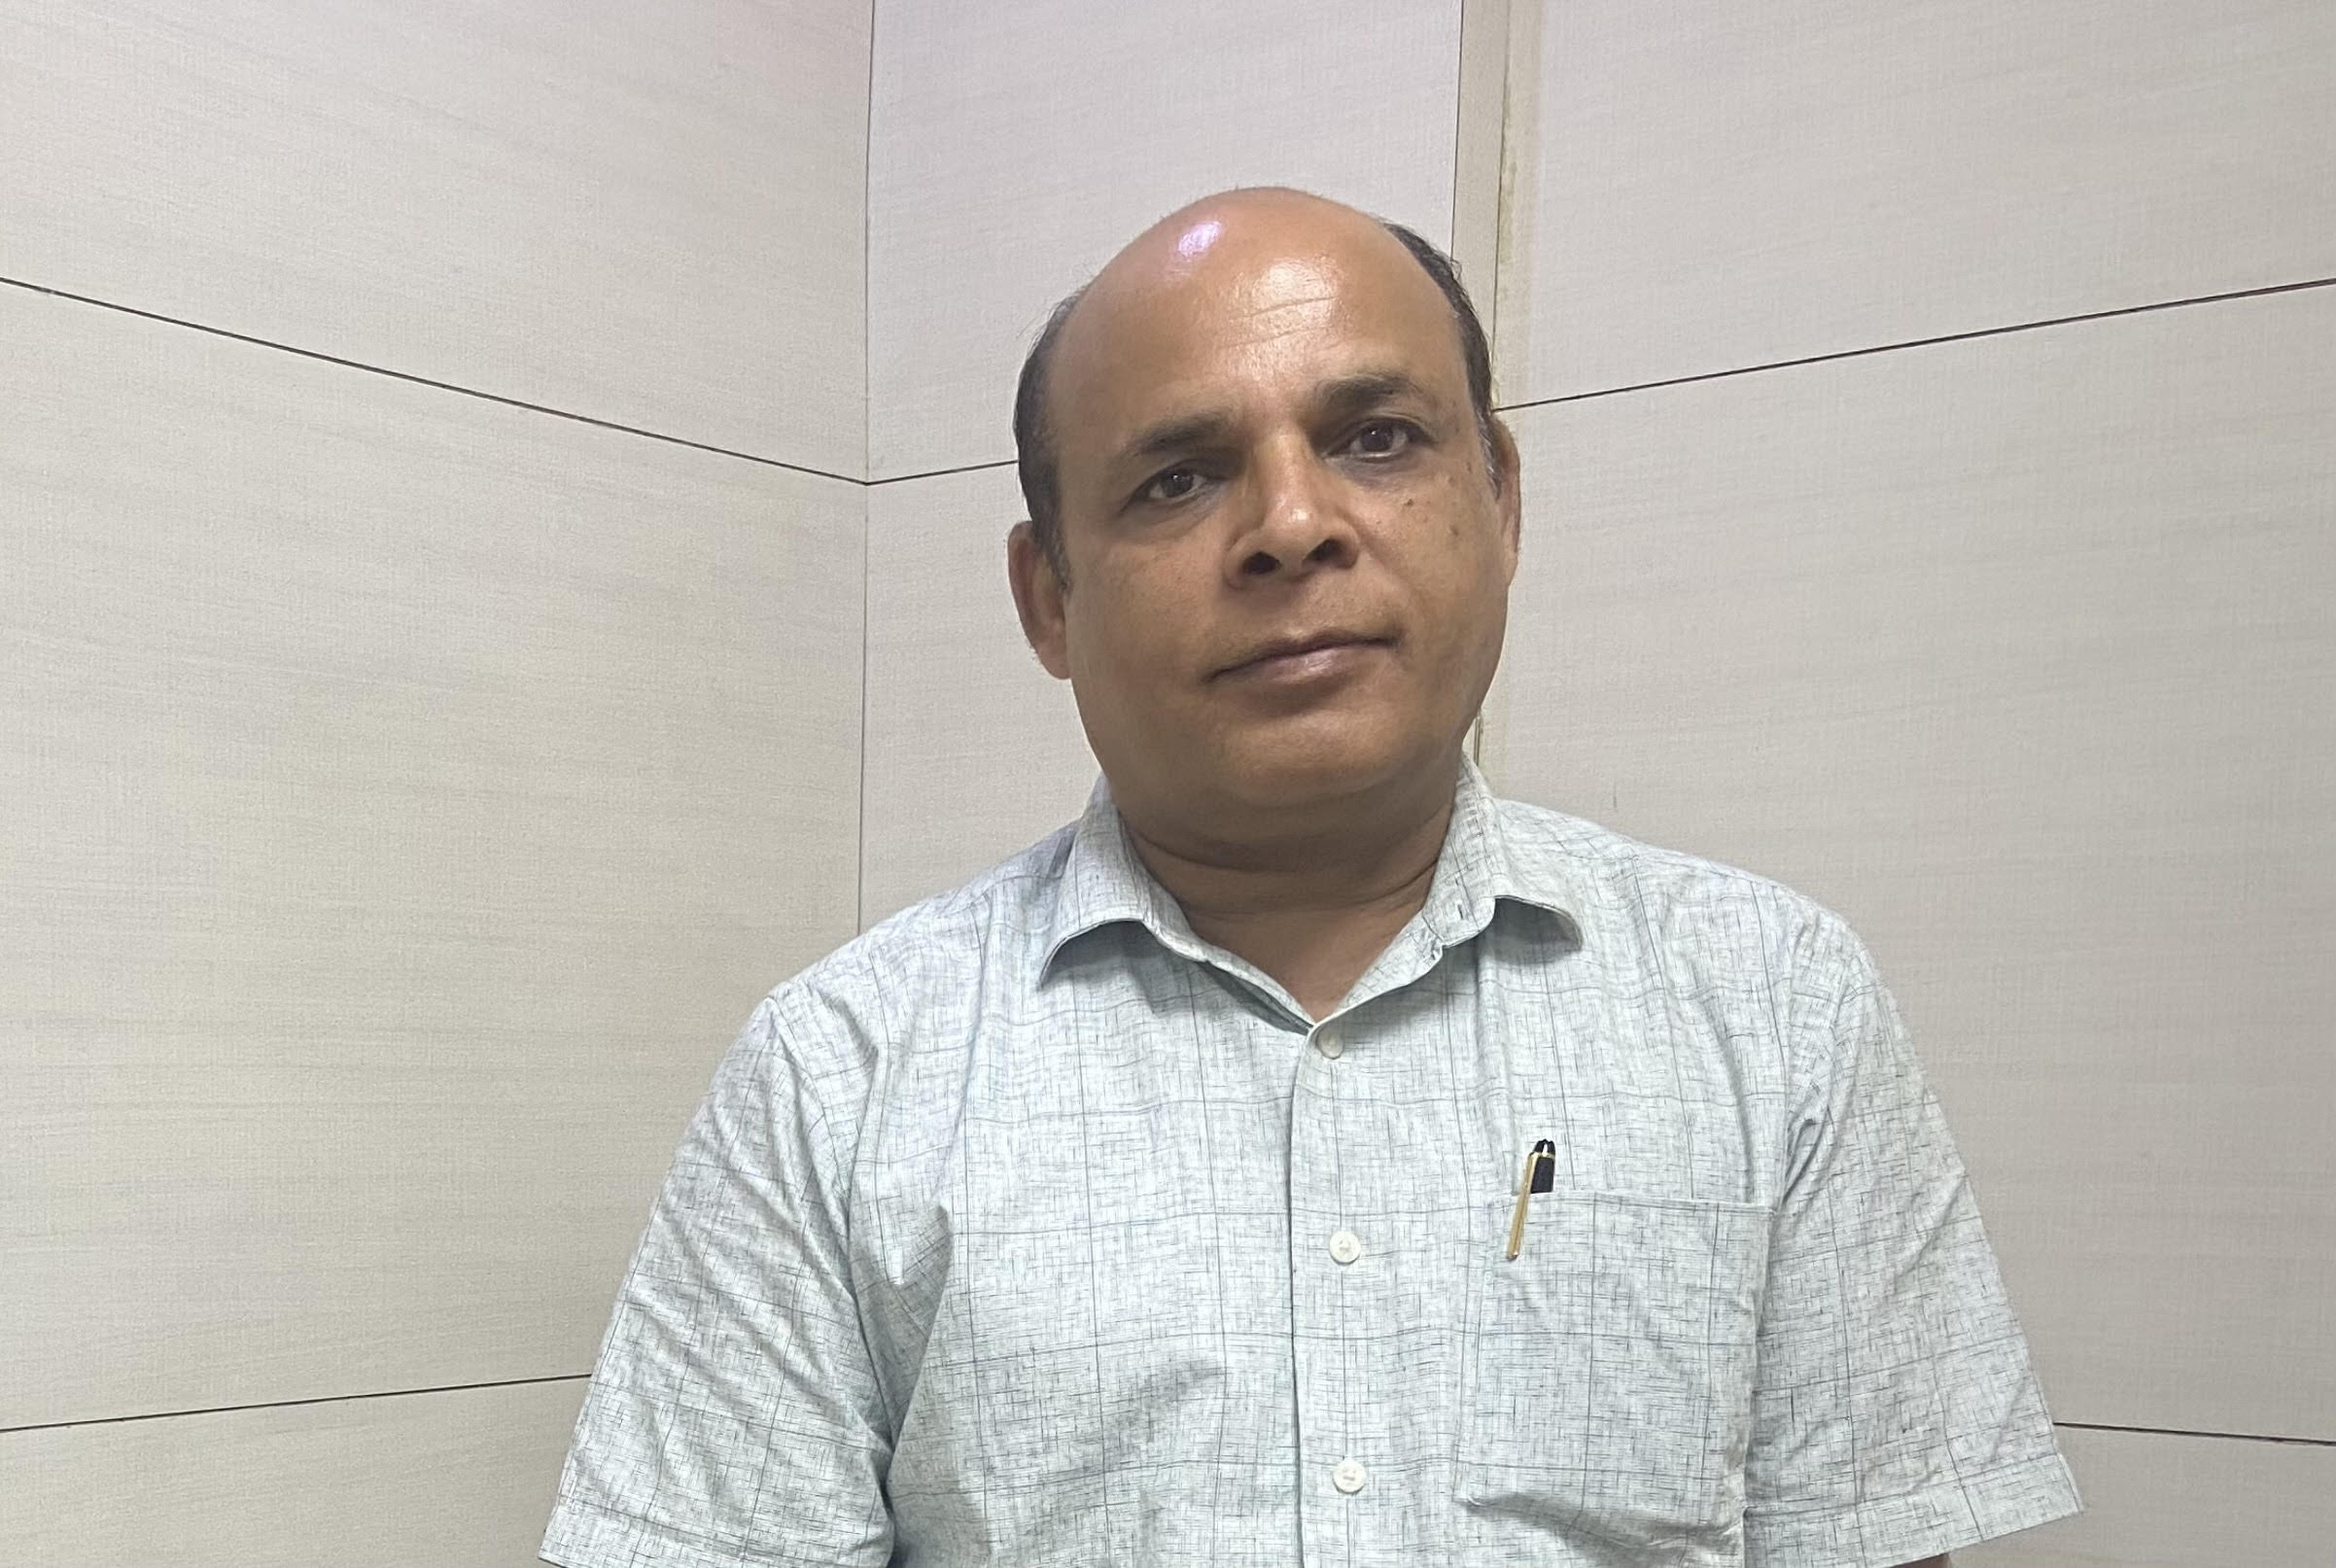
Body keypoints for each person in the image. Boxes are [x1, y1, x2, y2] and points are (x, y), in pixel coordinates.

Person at [540, 186, 2081, 1568]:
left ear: (1502, 499)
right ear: (1048, 596)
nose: (1291, 526)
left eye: (1375, 438)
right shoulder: (840, 1074)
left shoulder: (1773, 1006)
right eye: (1177, 478)